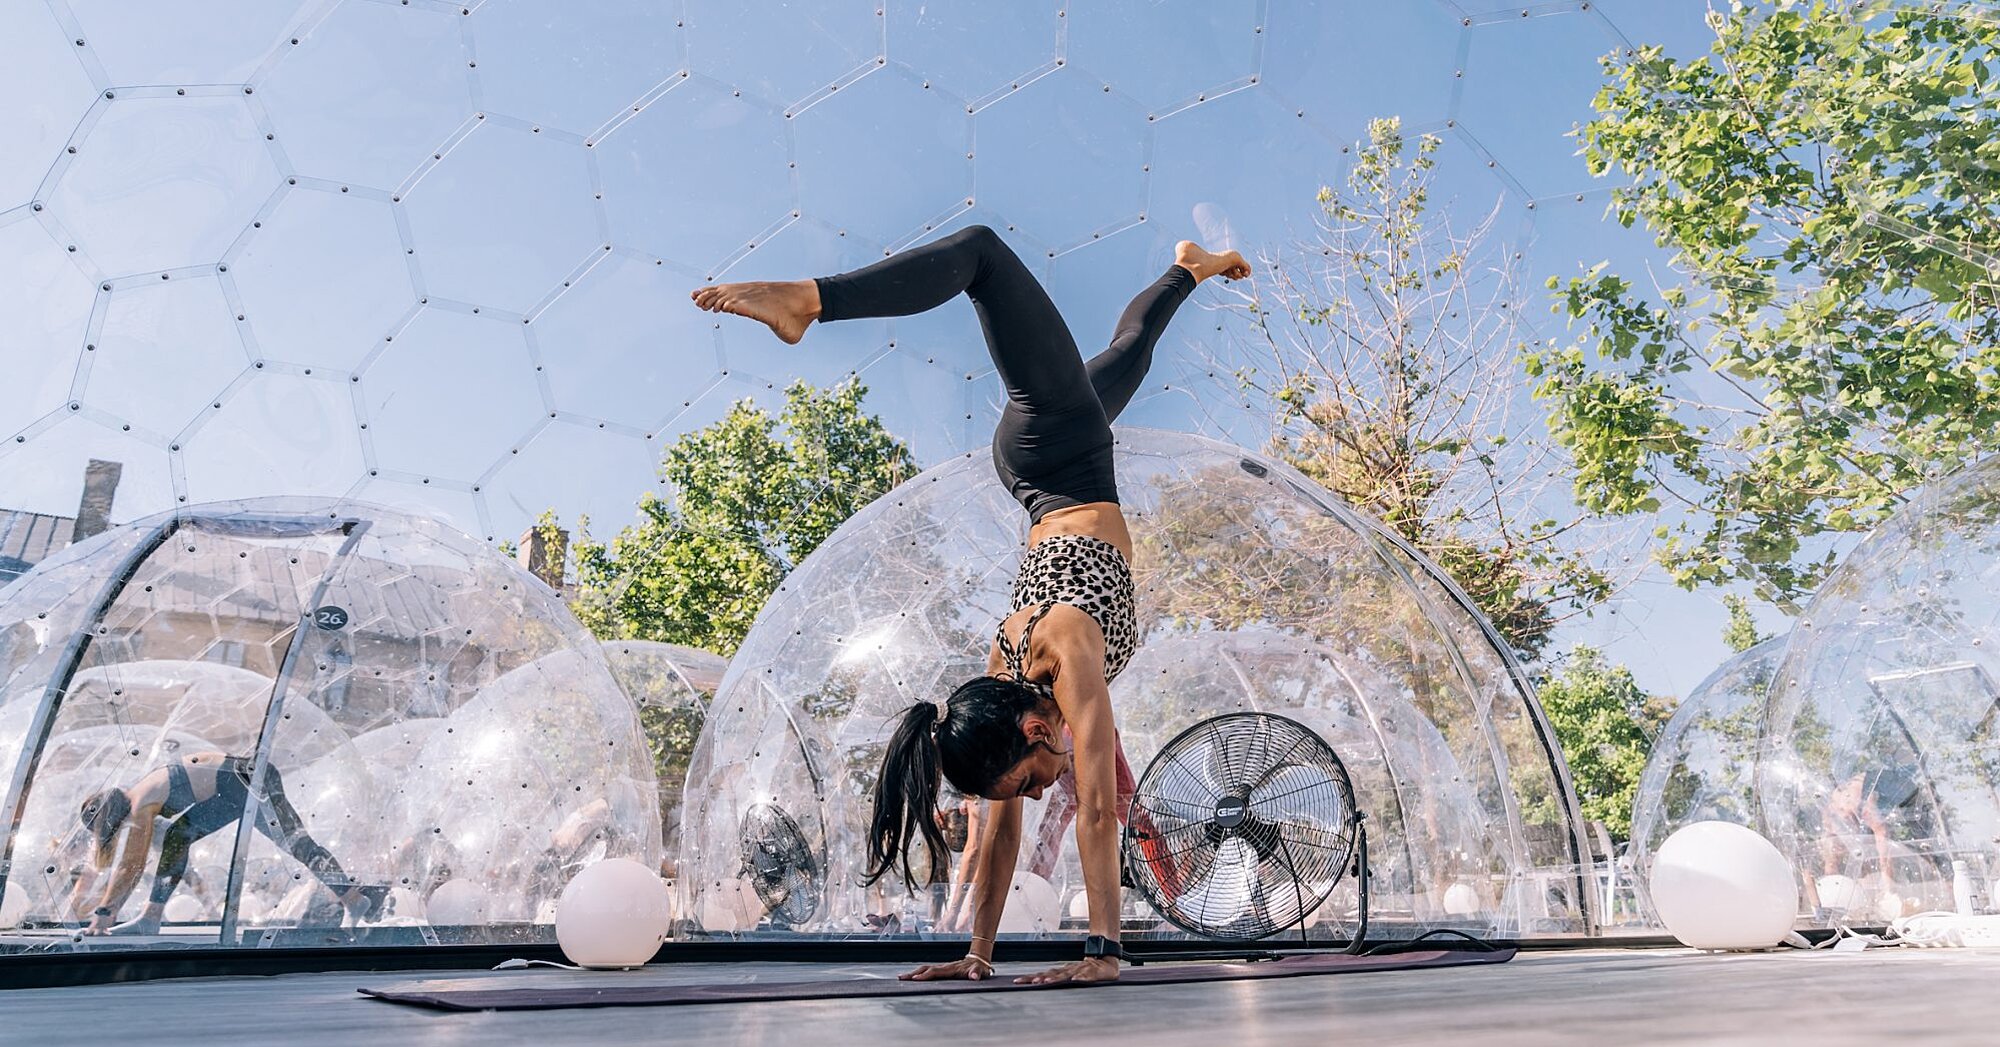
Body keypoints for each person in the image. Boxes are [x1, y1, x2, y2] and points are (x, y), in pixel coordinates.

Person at [691, 225, 1249, 983]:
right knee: (1131, 353)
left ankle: (807, 301)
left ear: (1031, 727)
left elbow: (1095, 807)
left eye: (1027, 775)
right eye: (1024, 784)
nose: (1037, 786)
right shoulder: (1005, 669)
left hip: (1053, 448)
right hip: (1061, 461)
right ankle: (1187, 269)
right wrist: (976, 953)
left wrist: (1103, 954)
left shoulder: (1067, 646)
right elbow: (996, 840)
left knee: (983, 254)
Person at [68, 751, 385, 934]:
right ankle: (151, 917)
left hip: (245, 780)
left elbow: (130, 865)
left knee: (299, 845)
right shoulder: (142, 791)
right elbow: (134, 863)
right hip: (233, 786)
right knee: (179, 836)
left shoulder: (140, 803)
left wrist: (105, 911)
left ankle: (355, 900)